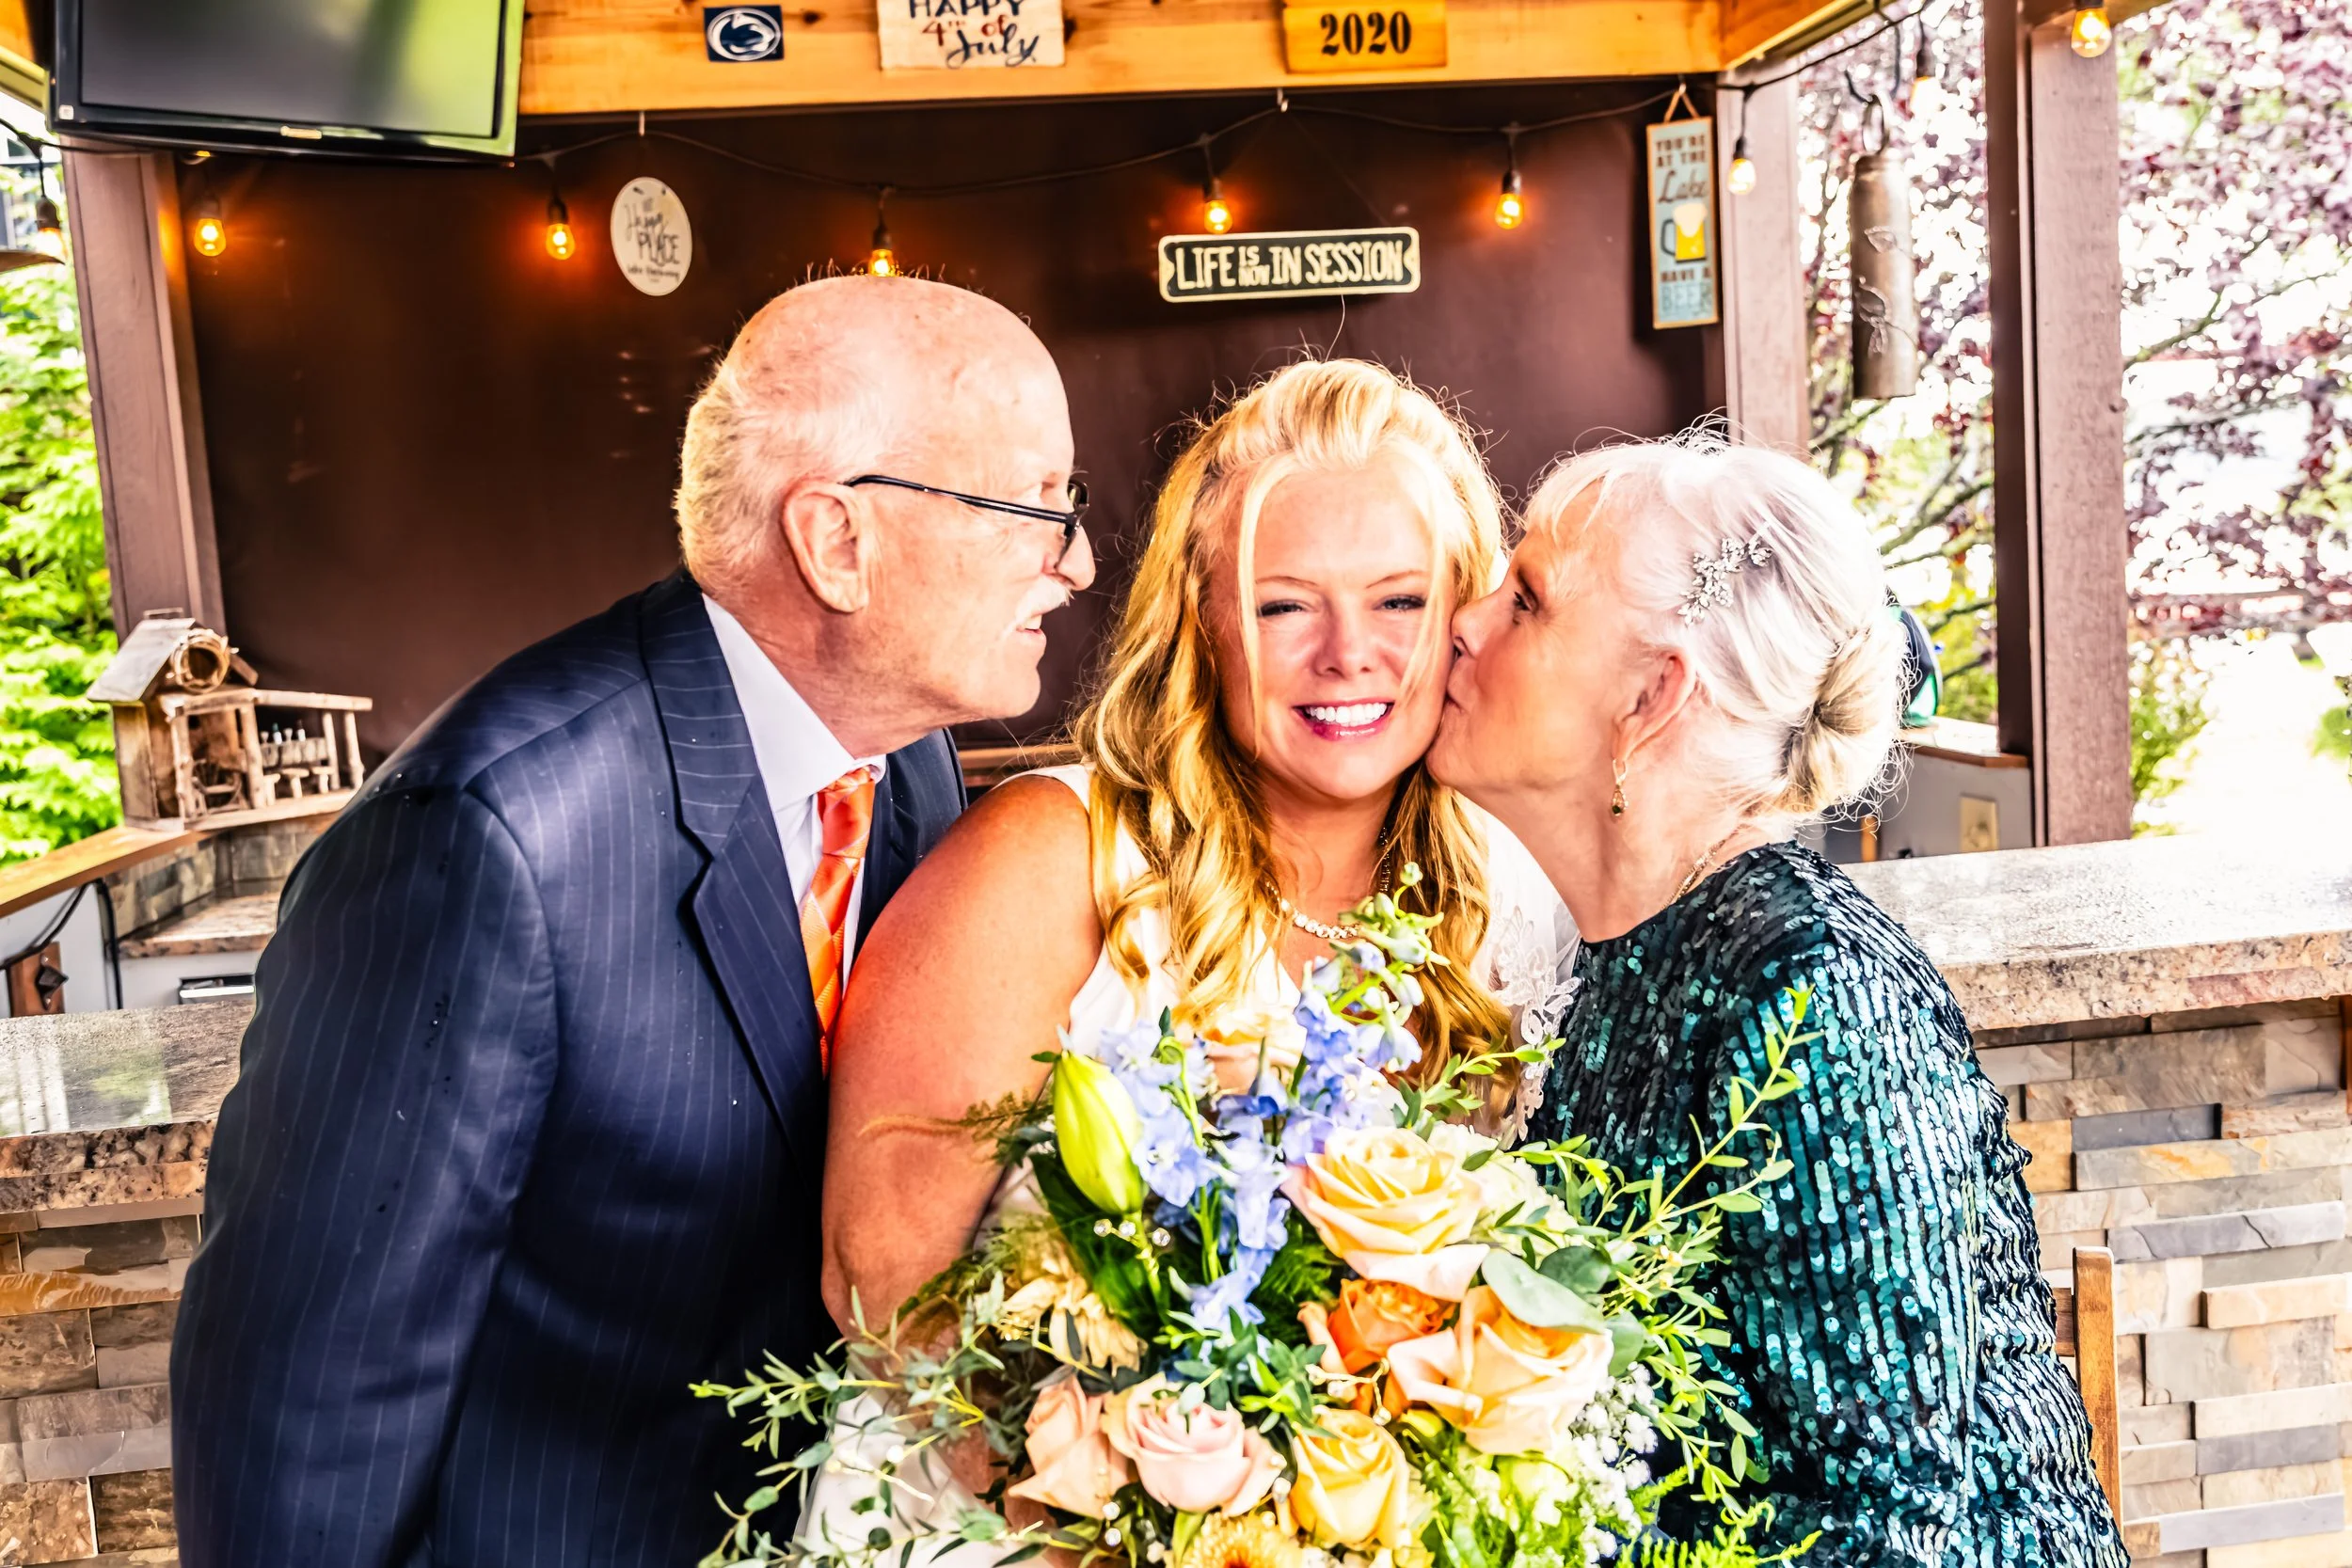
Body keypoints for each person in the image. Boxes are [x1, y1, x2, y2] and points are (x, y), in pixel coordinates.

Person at [169, 275, 1096, 1568]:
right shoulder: (481, 837)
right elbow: (303, 1404)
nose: (1073, 563)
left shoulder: (912, 767)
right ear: (836, 542)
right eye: (1034, 508)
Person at [806, 358, 1576, 1549]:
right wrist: (1120, 1523)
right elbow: (884, 1278)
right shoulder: (1049, 862)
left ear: (1462, 618)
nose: (1346, 653)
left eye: (1399, 601)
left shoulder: (1511, 894)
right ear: (1203, 622)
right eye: (1282, 606)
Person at [1427, 434, 2126, 1567]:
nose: (1465, 617)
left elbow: (1881, 1533)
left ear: (1652, 698)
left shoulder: (1811, 994)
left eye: (1528, 597)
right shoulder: (1622, 954)